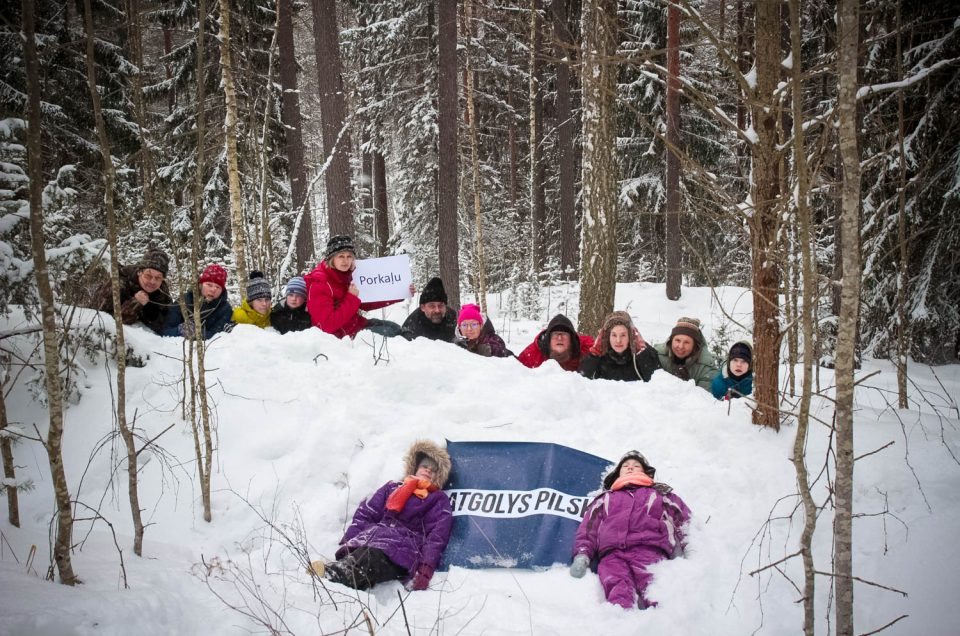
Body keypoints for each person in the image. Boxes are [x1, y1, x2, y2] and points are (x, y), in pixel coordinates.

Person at [310, 440, 453, 591]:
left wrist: (425, 571)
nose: (428, 470)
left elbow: (436, 538)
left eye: (433, 469)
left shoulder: (437, 499)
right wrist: (350, 539)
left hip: (403, 552)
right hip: (372, 539)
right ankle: (333, 575)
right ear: (416, 467)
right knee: (363, 554)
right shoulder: (392, 487)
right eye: (425, 466)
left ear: (438, 475)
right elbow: (367, 513)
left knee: (372, 558)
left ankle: (331, 576)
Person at [570, 451, 691, 610]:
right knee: (618, 592)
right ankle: (621, 623)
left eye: (636, 466)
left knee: (656, 592)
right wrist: (582, 554)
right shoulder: (605, 498)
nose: (630, 468)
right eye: (625, 466)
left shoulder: (660, 494)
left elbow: (684, 520)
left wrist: (691, 548)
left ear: (645, 472)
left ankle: (663, 624)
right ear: (618, 472)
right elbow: (588, 529)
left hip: (650, 552)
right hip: (612, 556)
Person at [304, 235, 412, 338]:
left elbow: (365, 301)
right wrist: (351, 298)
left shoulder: (346, 275)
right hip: (341, 336)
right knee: (395, 335)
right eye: (341, 256)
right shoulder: (320, 283)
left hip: (356, 325)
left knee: (397, 328)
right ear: (331, 258)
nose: (345, 260)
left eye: (349, 256)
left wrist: (400, 293)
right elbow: (327, 326)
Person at [93, 247, 172, 335]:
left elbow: (167, 320)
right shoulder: (119, 284)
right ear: (139, 272)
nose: (152, 281)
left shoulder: (162, 290)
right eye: (148, 276)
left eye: (158, 278)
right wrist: (135, 303)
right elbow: (101, 318)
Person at [578, 311, 659, 382]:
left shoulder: (643, 353)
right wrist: (594, 354)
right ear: (607, 336)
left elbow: (656, 380)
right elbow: (582, 381)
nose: (618, 340)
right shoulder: (600, 356)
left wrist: (643, 352)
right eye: (614, 335)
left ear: (631, 335)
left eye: (623, 335)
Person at [163, 263, 233, 339]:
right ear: (201, 285)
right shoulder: (184, 300)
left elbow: (216, 336)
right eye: (209, 285)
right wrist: (179, 331)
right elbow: (164, 330)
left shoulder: (225, 309)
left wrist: (197, 333)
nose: (213, 290)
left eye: (218, 287)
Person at [654, 317, 719, 391]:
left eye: (686, 342)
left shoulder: (706, 368)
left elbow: (704, 398)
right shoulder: (657, 356)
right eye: (677, 340)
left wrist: (685, 385)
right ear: (671, 340)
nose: (681, 346)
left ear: (695, 345)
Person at [517, 314, 595, 372]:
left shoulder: (587, 348)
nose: (560, 338)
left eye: (564, 334)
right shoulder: (532, 355)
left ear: (571, 340)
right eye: (555, 334)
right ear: (549, 339)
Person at [401, 277, 457, 342]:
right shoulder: (412, 326)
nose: (437, 310)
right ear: (422, 307)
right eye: (432, 306)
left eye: (441, 305)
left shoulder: (453, 318)